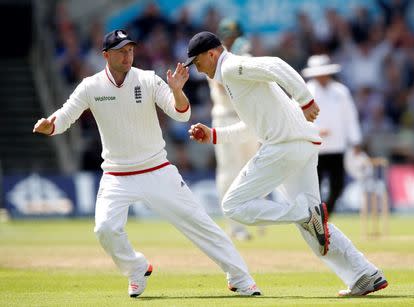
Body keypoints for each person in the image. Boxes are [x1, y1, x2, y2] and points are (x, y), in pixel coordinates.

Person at [33, 29, 261, 298]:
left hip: (157, 170)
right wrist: (50, 125)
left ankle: (240, 278)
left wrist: (177, 91)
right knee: (105, 229)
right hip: (117, 174)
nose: (127, 55)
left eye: (130, 50)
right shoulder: (90, 86)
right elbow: (65, 115)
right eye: (120, 51)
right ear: (106, 55)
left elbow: (181, 114)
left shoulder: (148, 79)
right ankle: (136, 268)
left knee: (201, 224)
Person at [184, 31, 388, 296]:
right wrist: (214, 135)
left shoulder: (232, 66)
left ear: (212, 54)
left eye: (197, 62)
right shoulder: (232, 78)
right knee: (315, 229)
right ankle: (364, 273)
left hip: (284, 146)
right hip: (298, 145)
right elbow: (254, 125)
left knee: (233, 205)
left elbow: (276, 65)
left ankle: (304, 213)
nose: (197, 69)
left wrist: (306, 99)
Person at [208, 18, 260, 241]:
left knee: (252, 169)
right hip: (225, 118)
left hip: (247, 119)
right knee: (229, 171)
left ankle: (251, 215)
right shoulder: (214, 60)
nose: (231, 41)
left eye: (234, 36)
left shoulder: (243, 58)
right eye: (227, 37)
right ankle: (234, 226)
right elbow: (222, 87)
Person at [301, 54, 363, 214]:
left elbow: (350, 117)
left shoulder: (340, 91)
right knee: (315, 187)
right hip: (315, 147)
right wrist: (314, 130)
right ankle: (315, 216)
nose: (322, 76)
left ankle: (325, 216)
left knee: (338, 186)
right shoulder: (305, 91)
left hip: (337, 146)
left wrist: (355, 141)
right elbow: (298, 119)